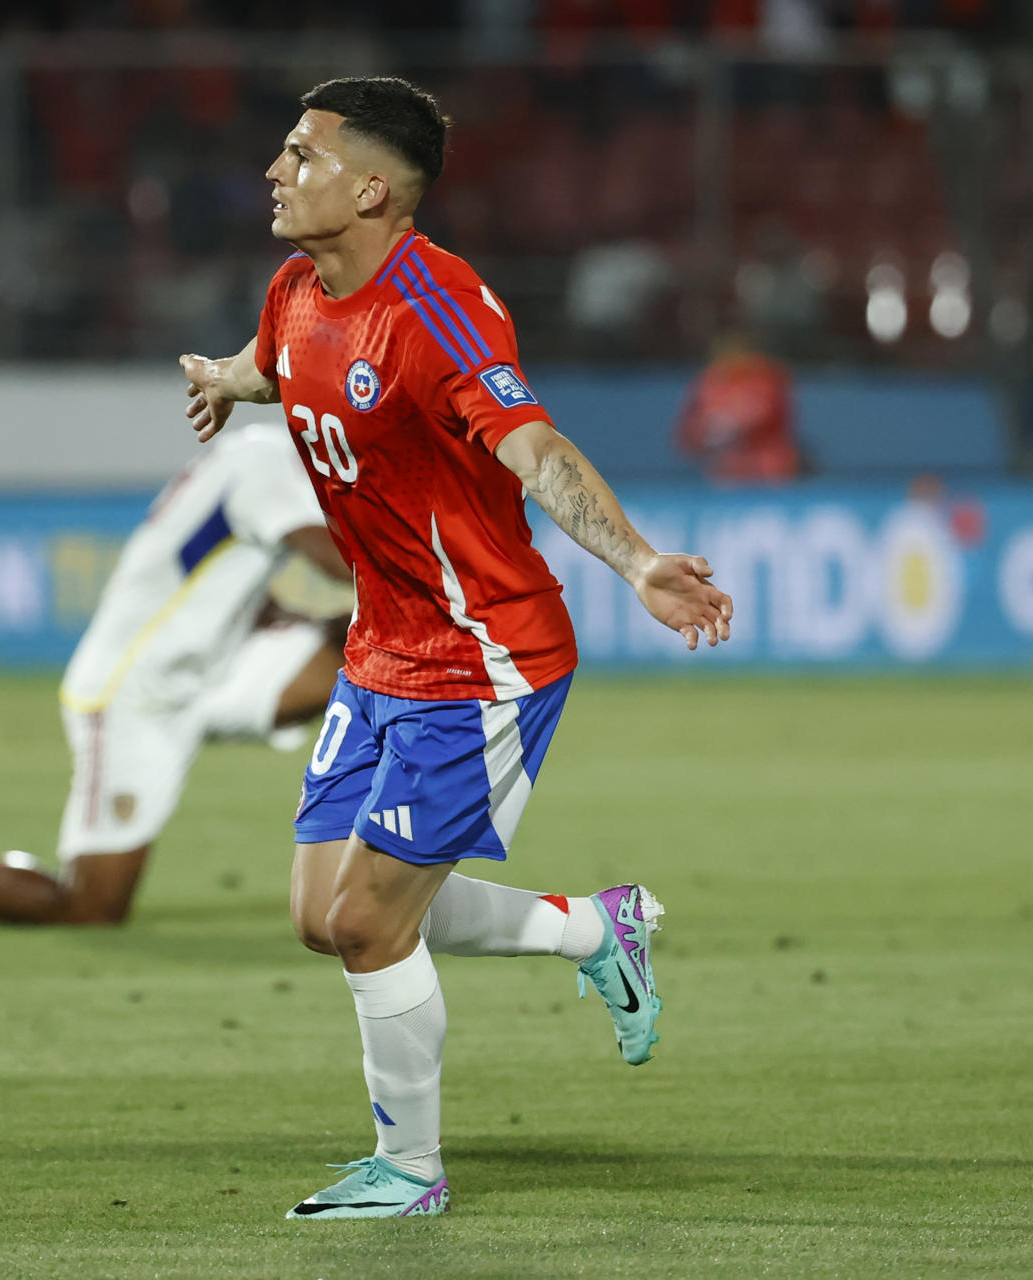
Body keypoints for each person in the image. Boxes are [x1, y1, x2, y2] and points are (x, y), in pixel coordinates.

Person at [176, 76, 732, 1220]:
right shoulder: (297, 286)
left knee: (370, 923)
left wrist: (635, 563)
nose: (275, 171)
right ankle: (594, 926)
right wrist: (231, 382)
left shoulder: (441, 310)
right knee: (319, 906)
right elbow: (281, 358)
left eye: (299, 153)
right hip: (384, 645)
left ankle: (412, 1169)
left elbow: (535, 447)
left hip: (484, 653)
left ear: (370, 186)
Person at [0, 422, 353, 931]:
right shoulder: (269, 464)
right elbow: (341, 562)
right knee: (92, 905)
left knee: (371, 653)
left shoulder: (262, 455)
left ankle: (391, 846)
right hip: (134, 696)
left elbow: (208, 572)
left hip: (214, 672)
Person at [672, 329, 802, 483]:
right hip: (727, 470)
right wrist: (703, 433)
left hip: (769, 468)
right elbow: (687, 435)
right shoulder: (708, 383)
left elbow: (763, 417)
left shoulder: (766, 378)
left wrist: (728, 425)